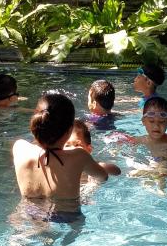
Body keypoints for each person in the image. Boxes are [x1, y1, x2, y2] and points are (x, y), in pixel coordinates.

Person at [13, 93, 121, 221]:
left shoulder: (19, 148)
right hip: (68, 216)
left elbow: (39, 144)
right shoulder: (79, 156)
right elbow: (103, 177)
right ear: (69, 130)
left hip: (28, 213)